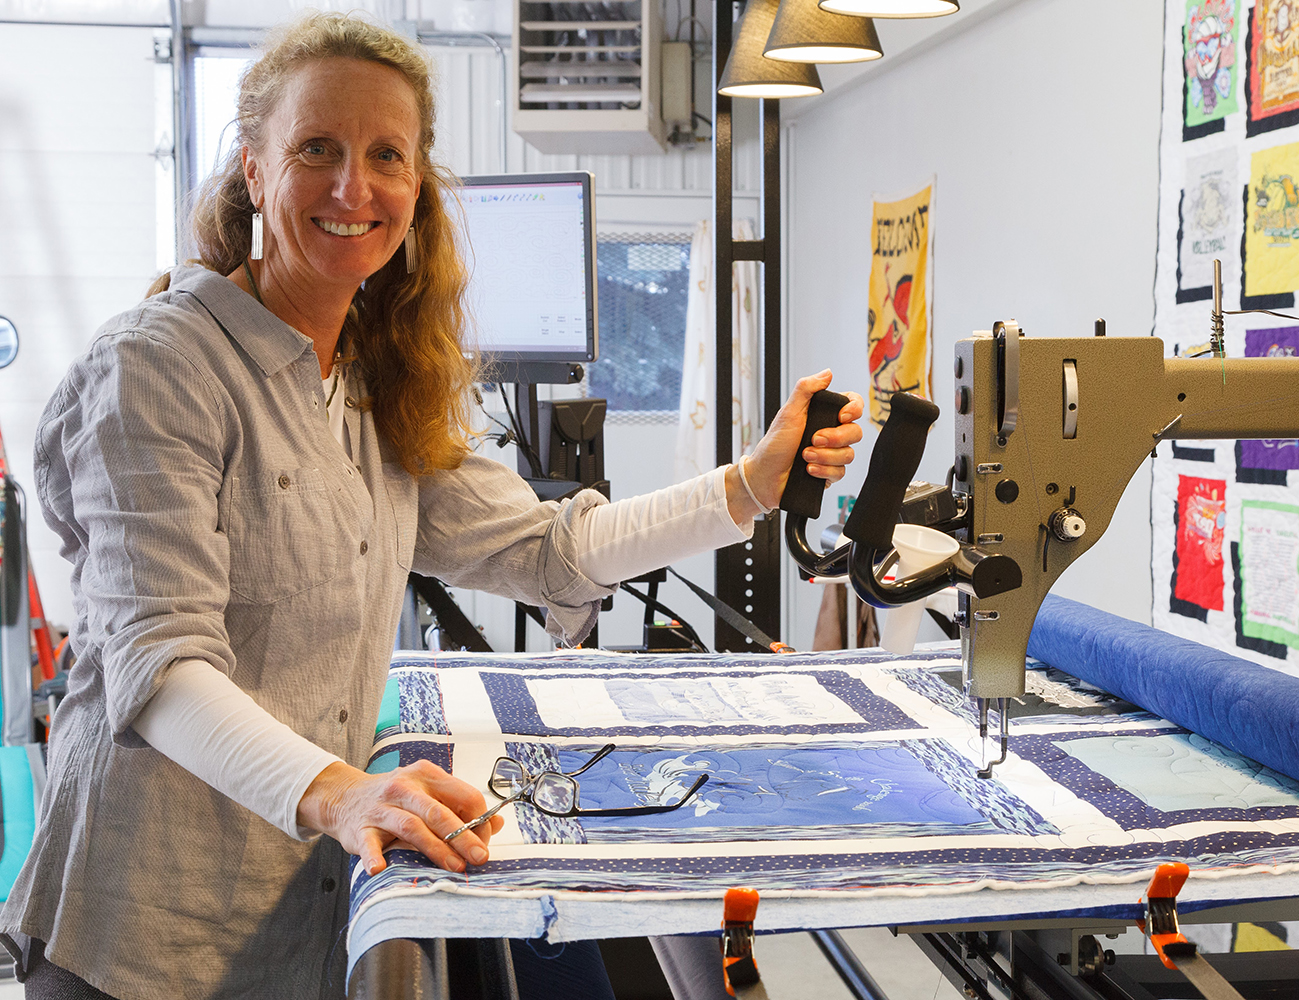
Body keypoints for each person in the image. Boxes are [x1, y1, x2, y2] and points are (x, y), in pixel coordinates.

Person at [0, 13, 863, 999]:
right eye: (315, 149)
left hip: (298, 917)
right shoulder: (158, 367)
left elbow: (550, 548)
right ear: (252, 170)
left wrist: (750, 483)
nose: (351, 187)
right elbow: (160, 668)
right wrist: (341, 791)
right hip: (144, 932)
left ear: (416, 187)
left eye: (385, 156)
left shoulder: (369, 383)